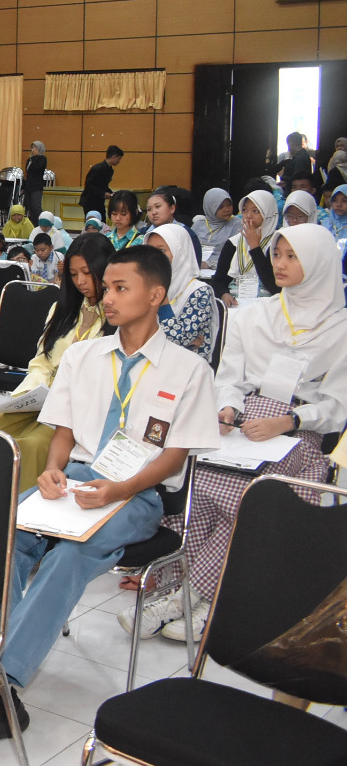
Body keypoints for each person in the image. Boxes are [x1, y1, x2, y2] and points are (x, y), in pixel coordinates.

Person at [0, 246, 220, 753]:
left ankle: (3, 680)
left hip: (138, 493)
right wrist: (52, 472)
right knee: (5, 535)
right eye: (106, 287)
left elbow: (174, 456)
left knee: (72, 554)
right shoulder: (82, 356)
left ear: (155, 295)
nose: (107, 298)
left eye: (120, 288)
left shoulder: (189, 370)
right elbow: (63, 434)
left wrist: (121, 489)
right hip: (74, 481)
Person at [133, 224, 347, 643]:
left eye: (292, 256)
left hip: (296, 431)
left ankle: (199, 598)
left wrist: (289, 421)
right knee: (196, 484)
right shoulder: (255, 314)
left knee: (250, 500)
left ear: (320, 263)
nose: (279, 264)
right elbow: (229, 377)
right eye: (277, 254)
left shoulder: (340, 328)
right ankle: (183, 590)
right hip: (244, 421)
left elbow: (338, 406)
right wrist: (227, 407)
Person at [0, 232, 114, 491]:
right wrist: (29, 394)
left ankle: (22, 509)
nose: (81, 282)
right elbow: (41, 361)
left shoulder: (117, 316)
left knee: (35, 444)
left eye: (87, 273)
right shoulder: (62, 309)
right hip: (44, 397)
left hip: (80, 408)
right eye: (73, 274)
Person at [146, 222, 215, 363]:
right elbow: (130, 331)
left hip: (187, 368)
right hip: (149, 361)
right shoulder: (145, 285)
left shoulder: (200, 292)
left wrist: (162, 298)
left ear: (180, 253)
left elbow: (177, 340)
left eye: (162, 250)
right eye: (150, 251)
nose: (154, 257)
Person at [209, 189, 280, 304]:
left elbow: (275, 287)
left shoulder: (277, 244)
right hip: (237, 303)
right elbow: (218, 280)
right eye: (244, 210)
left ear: (268, 214)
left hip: (268, 304)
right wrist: (223, 293)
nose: (248, 216)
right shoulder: (234, 243)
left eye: (256, 211)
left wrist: (255, 247)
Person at [146, 186, 203, 264]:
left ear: (172, 208)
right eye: (149, 209)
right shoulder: (142, 234)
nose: (153, 212)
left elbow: (195, 264)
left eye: (158, 206)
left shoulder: (186, 233)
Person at [191, 189, 240, 257]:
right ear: (210, 207)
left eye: (229, 205)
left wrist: (211, 262)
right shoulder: (198, 225)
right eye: (221, 207)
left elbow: (236, 254)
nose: (227, 210)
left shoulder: (237, 225)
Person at [80, 145, 124, 216]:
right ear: (114, 157)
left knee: (102, 220)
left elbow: (103, 186)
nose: (119, 161)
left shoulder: (110, 170)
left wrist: (111, 194)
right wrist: (103, 194)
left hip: (99, 200)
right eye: (119, 159)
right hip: (90, 201)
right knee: (94, 220)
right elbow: (89, 185)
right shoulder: (98, 168)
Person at [24, 141, 47, 214]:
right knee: (29, 207)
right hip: (28, 186)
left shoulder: (43, 159)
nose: (33, 149)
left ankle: (40, 221)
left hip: (36, 187)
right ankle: (32, 221)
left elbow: (37, 168)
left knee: (36, 207)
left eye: (35, 147)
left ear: (40, 149)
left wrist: (35, 157)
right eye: (32, 147)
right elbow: (28, 172)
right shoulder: (29, 160)